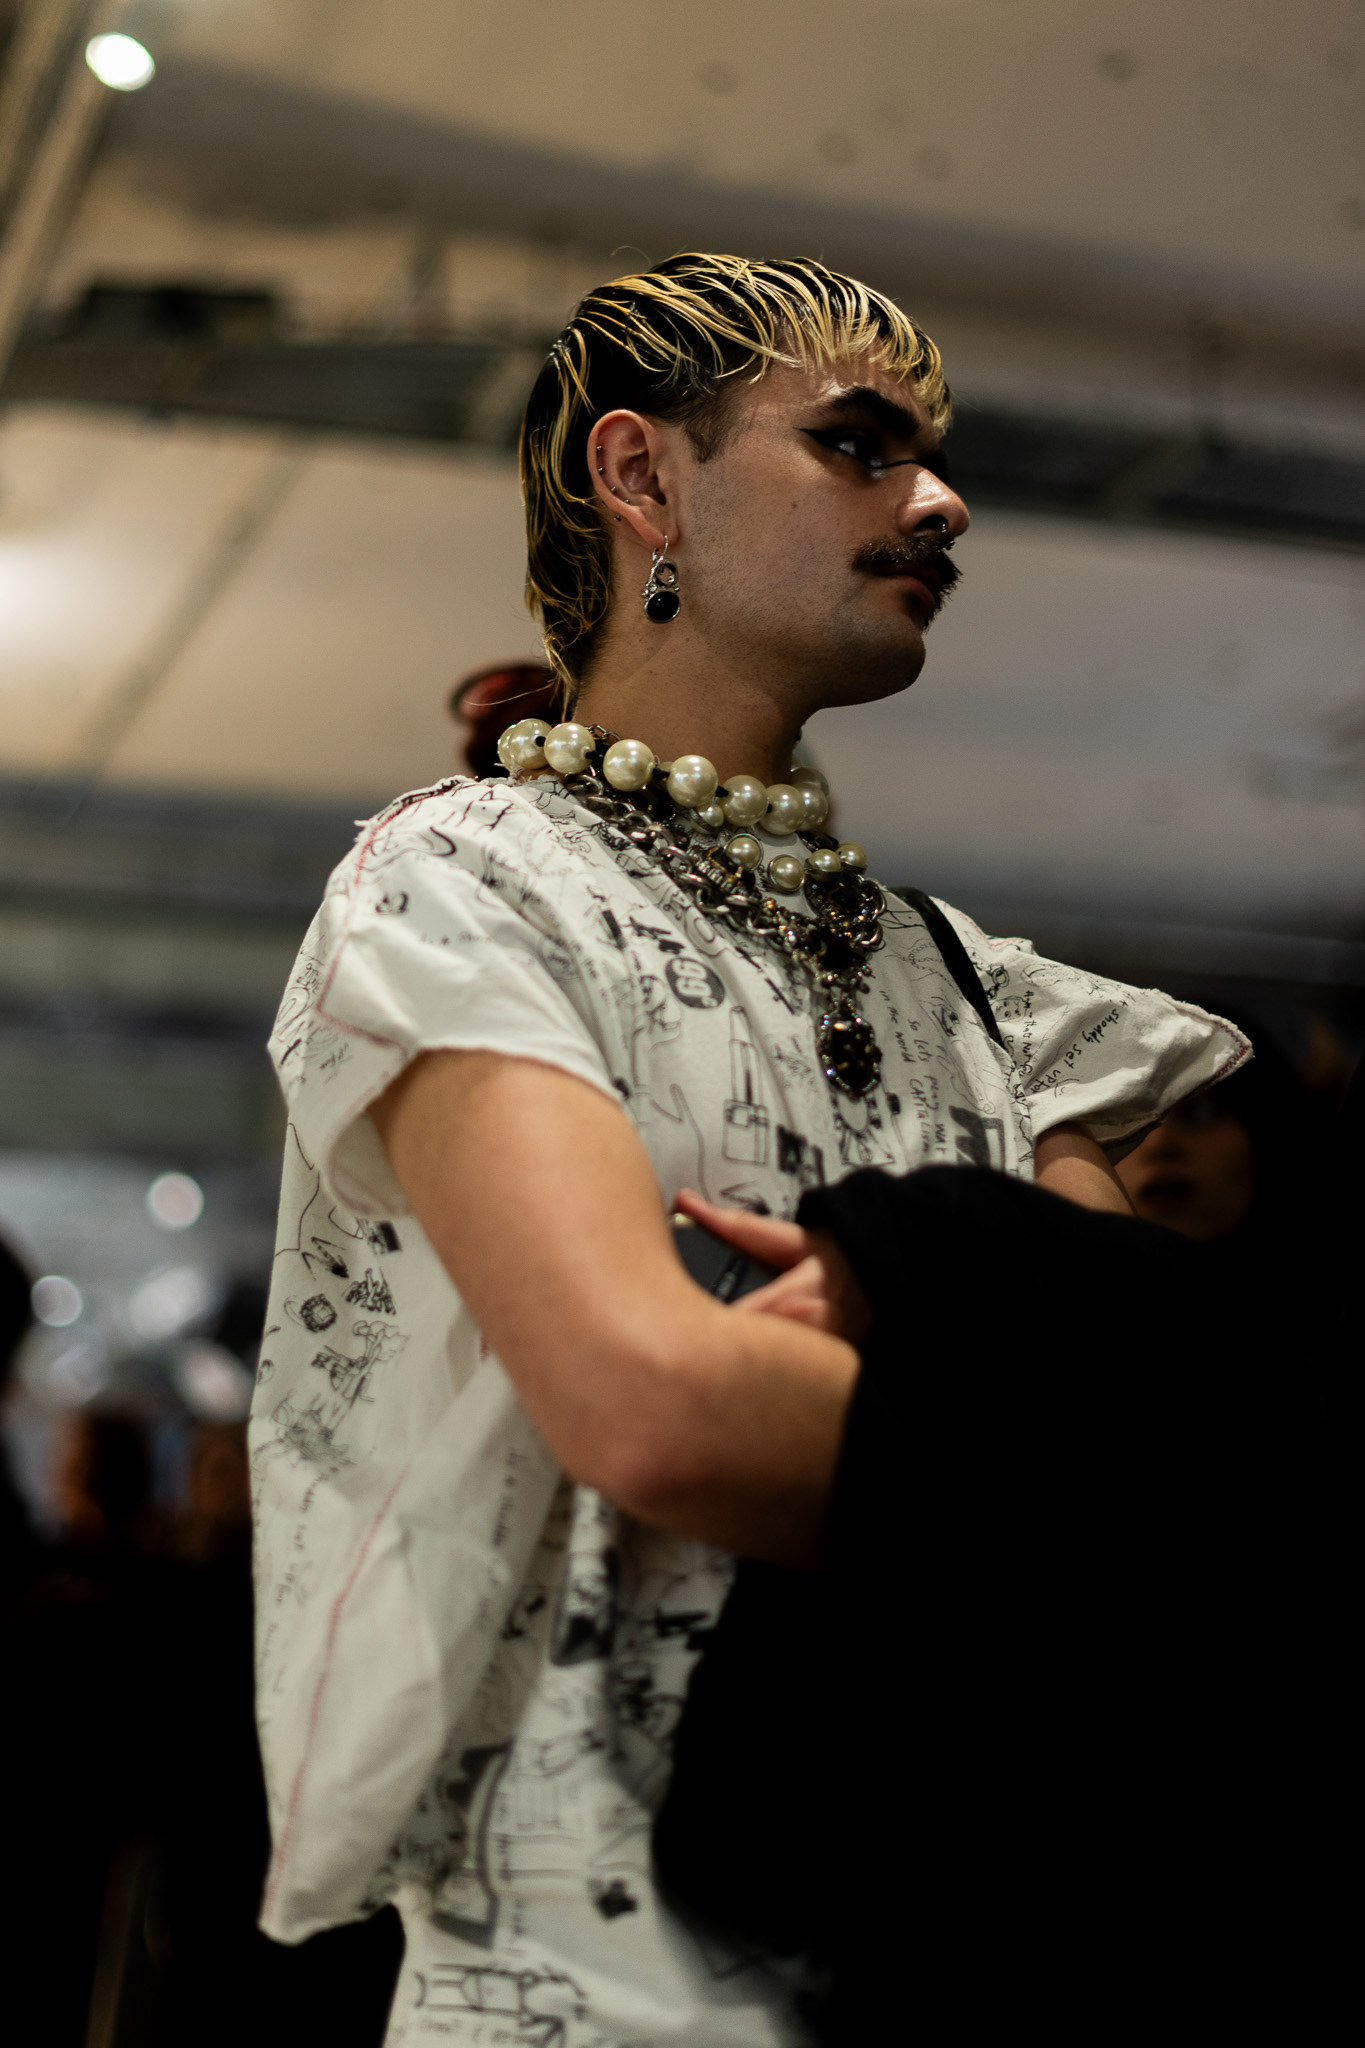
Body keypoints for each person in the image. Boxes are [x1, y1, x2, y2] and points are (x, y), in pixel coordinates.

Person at [250, 253, 1247, 2045]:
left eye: (929, 458)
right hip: (591, 1974)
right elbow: (656, 1407)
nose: (939, 502)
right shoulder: (463, 883)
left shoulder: (984, 997)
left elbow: (1163, 1433)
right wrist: (977, 1384)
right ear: (643, 478)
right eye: (857, 445)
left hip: (964, 1927)